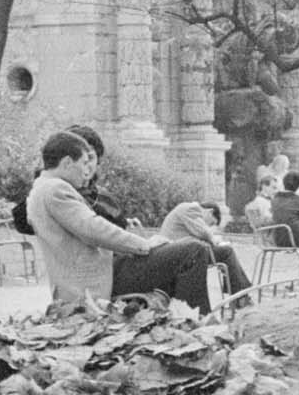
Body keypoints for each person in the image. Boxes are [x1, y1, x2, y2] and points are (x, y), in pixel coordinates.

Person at [25, 130, 215, 313]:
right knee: (193, 250)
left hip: (98, 273)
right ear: (67, 162)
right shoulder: (55, 189)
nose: (86, 171)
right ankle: (198, 322)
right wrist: (144, 245)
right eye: (83, 163)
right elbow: (94, 229)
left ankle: (185, 319)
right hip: (95, 282)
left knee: (180, 252)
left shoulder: (41, 189)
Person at [159, 198, 252, 304]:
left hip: (179, 251)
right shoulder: (191, 208)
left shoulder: (187, 210)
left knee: (225, 251)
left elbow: (198, 233)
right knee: (227, 251)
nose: (209, 226)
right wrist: (216, 240)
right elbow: (203, 232)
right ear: (210, 212)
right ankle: (240, 297)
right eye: (211, 223)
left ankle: (239, 295)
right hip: (181, 255)